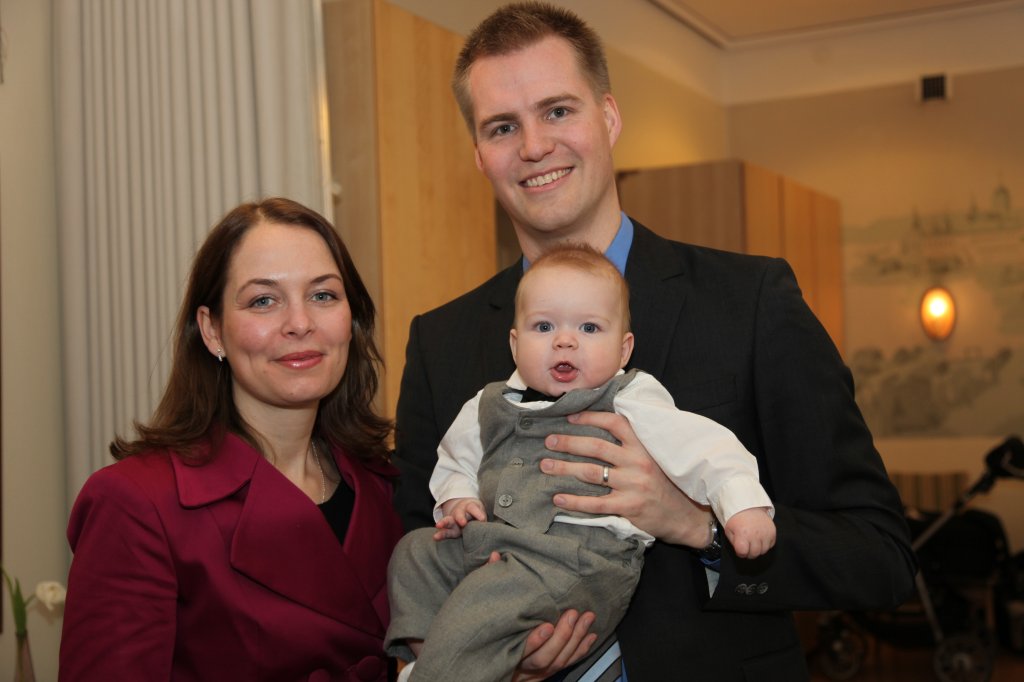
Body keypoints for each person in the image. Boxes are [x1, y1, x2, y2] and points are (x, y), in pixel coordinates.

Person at [392, 3, 917, 680]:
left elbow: (878, 555)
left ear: (609, 118)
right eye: (502, 126)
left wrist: (696, 523)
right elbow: (422, 547)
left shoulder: (751, 302)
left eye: (558, 110)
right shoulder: (440, 341)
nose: (533, 146)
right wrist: (493, 654)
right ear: (479, 155)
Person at [386, 244, 775, 680]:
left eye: (589, 327)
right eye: (544, 326)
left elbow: (705, 446)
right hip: (502, 547)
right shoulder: (489, 403)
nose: (565, 340)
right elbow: (455, 458)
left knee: (490, 595)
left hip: (583, 562)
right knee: (415, 553)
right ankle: (433, 662)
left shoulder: (630, 398)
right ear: (515, 343)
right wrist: (457, 500)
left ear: (624, 349)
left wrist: (742, 505)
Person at [59, 198, 404, 682]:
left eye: (323, 295)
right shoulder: (136, 502)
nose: (300, 322)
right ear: (212, 331)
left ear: (352, 319)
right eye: (263, 300)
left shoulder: (386, 485)